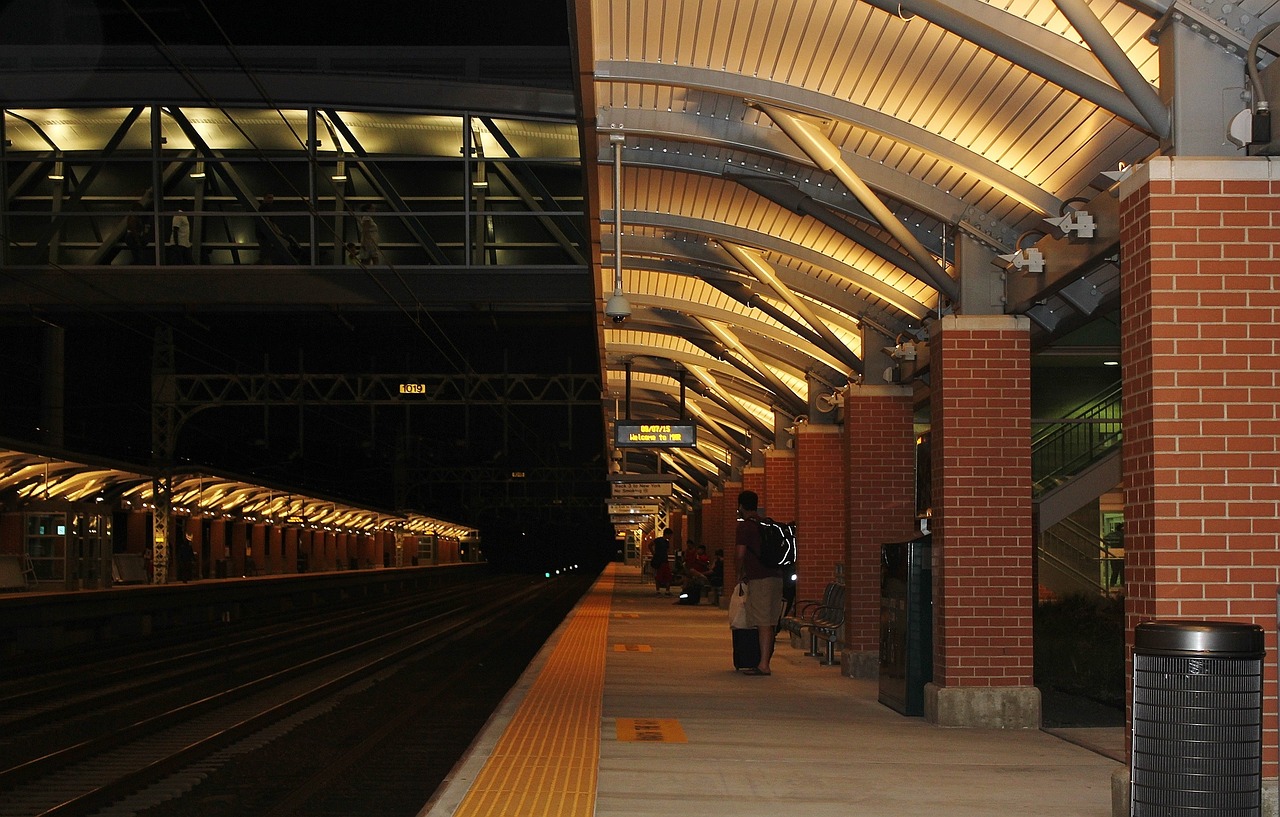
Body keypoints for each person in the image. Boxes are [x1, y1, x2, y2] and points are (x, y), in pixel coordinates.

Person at [735, 489, 784, 675]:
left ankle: (763, 664)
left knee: (762, 622)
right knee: (770, 622)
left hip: (759, 578)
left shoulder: (745, 527)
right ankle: (765, 660)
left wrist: (738, 572)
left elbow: (740, 554)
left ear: (741, 506)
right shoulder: (767, 524)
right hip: (776, 577)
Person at [650, 530, 672, 595]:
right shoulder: (664, 542)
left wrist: (654, 553)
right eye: (670, 535)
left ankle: (658, 590)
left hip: (659, 560)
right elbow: (668, 551)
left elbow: (650, 545)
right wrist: (654, 553)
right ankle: (666, 590)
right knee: (666, 576)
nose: (670, 537)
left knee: (659, 576)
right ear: (667, 534)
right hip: (662, 560)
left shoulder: (658, 540)